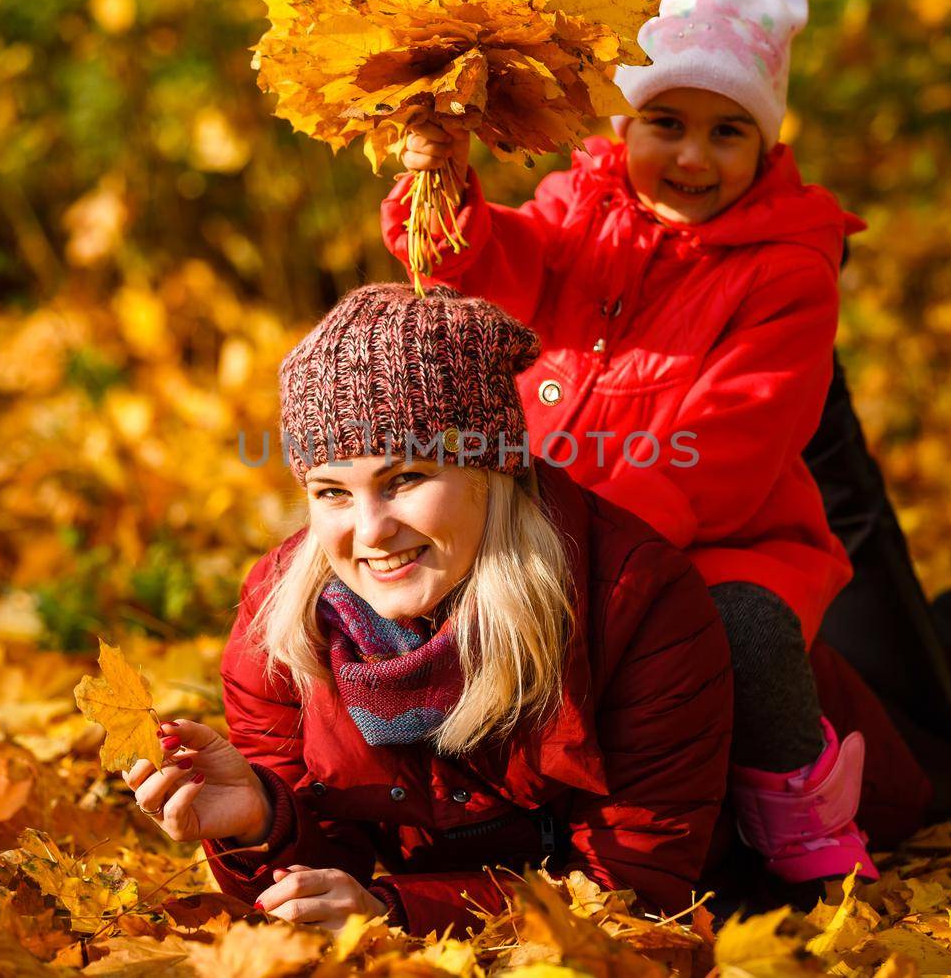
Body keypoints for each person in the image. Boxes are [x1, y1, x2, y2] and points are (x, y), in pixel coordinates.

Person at [390, 0, 879, 884]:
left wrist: (600, 538)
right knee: (450, 604)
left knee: (744, 626)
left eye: (727, 130)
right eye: (668, 123)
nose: (692, 156)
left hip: (718, 533)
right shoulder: (581, 206)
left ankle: (798, 808)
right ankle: (485, 806)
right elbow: (489, 270)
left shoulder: (788, 266)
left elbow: (737, 433)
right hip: (554, 523)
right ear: (627, 126)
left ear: (764, 138)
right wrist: (437, 185)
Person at [122, 283, 734, 936]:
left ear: (493, 466)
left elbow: (633, 892)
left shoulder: (634, 601)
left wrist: (400, 913)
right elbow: (327, 888)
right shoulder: (280, 620)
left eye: (405, 479)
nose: (370, 531)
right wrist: (262, 821)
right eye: (331, 491)